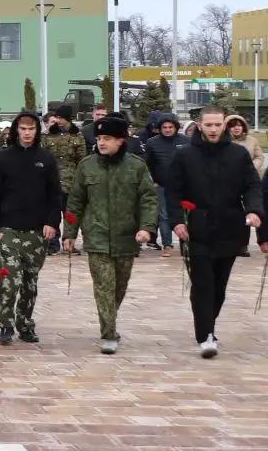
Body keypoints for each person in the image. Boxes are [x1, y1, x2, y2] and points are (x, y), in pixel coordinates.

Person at [164, 104, 266, 357]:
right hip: (194, 229)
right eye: (208, 125)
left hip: (229, 228)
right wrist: (177, 222)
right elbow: (173, 192)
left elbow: (252, 186)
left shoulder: (238, 155)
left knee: (219, 287)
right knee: (203, 285)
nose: (212, 129)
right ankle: (206, 335)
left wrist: (254, 211)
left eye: (217, 125)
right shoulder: (185, 155)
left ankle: (208, 324)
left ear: (224, 125)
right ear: (199, 126)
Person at [62, 115, 157, 354]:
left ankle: (109, 320)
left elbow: (148, 199)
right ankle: (109, 333)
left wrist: (146, 228)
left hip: (127, 236)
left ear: (120, 140)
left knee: (119, 287)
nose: (102, 143)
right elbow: (75, 202)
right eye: (99, 138)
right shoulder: (87, 166)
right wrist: (69, 233)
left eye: (107, 138)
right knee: (104, 286)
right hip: (96, 235)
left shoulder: (136, 166)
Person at [0, 110, 63, 345]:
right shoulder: (3, 158)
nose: (27, 133)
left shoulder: (46, 159)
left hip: (37, 231)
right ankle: (6, 324)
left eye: (31, 129)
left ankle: (25, 324)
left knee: (30, 282)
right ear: (16, 130)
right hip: (8, 229)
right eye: (23, 129)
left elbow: (55, 194)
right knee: (8, 281)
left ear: (37, 131)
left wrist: (52, 222)